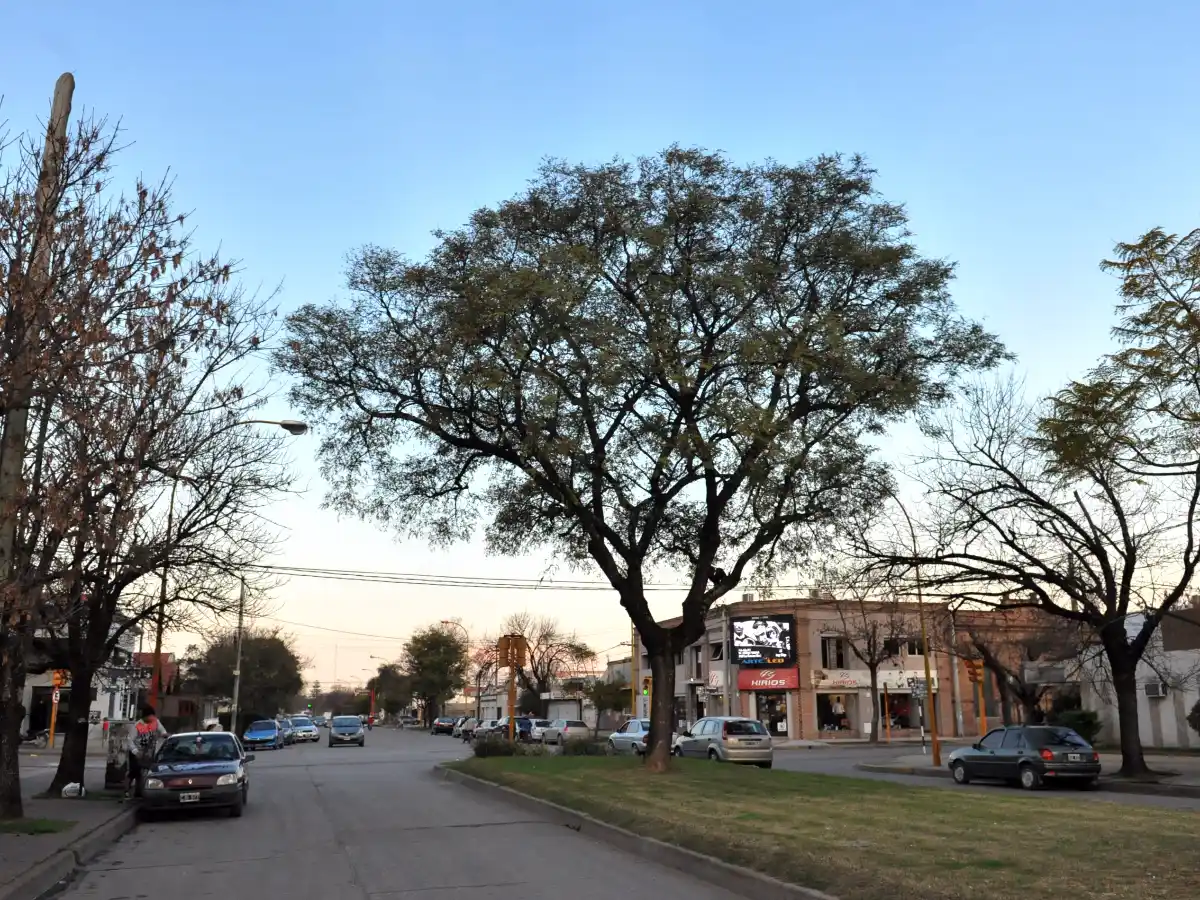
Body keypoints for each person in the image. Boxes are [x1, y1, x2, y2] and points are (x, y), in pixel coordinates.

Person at [125, 706, 168, 799]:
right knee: (134, 772)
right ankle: (126, 792)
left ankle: (139, 792)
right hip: (136, 752)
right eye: (150, 716)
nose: (152, 718)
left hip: (148, 753)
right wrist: (136, 752)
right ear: (145, 716)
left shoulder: (156, 722)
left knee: (144, 773)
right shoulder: (137, 725)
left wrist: (164, 734)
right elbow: (129, 740)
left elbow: (162, 731)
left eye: (153, 716)